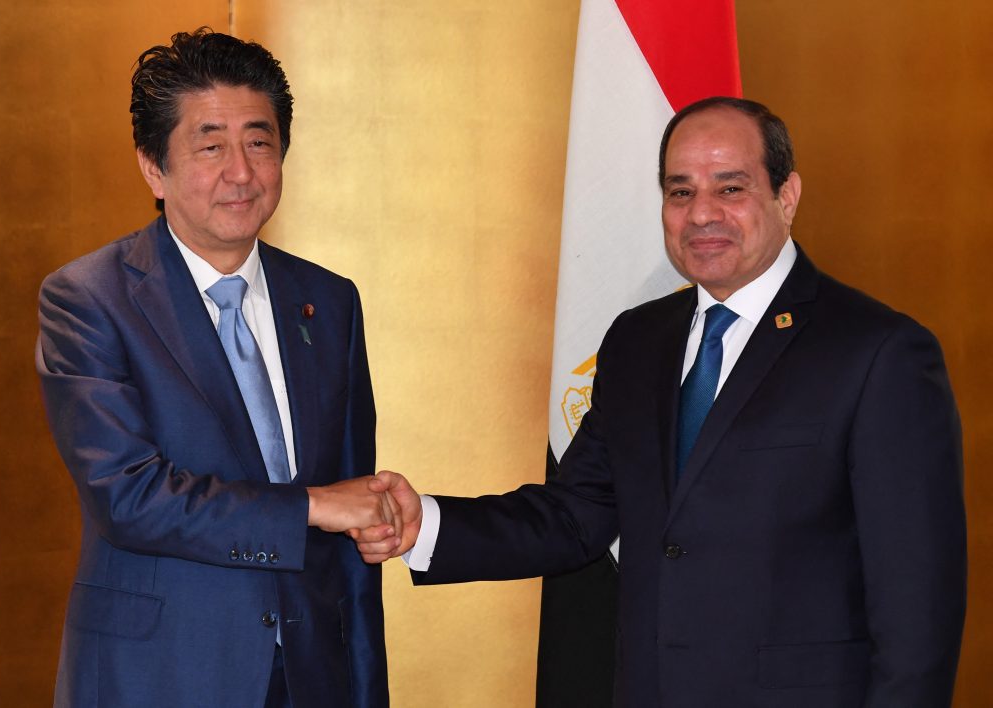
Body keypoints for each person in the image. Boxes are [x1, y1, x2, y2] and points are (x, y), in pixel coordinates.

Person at [354, 97, 967, 708]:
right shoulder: (638, 340)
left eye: (730, 188)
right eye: (680, 192)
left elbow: (919, 608)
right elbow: (577, 515)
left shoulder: (879, 352)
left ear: (788, 195)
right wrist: (424, 524)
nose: (702, 214)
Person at [36, 28, 395, 708]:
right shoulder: (89, 298)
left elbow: (354, 529)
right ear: (152, 166)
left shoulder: (329, 300)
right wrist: (312, 506)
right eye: (210, 146)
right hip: (161, 678)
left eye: (259, 142)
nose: (241, 171)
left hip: (311, 678)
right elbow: (130, 497)